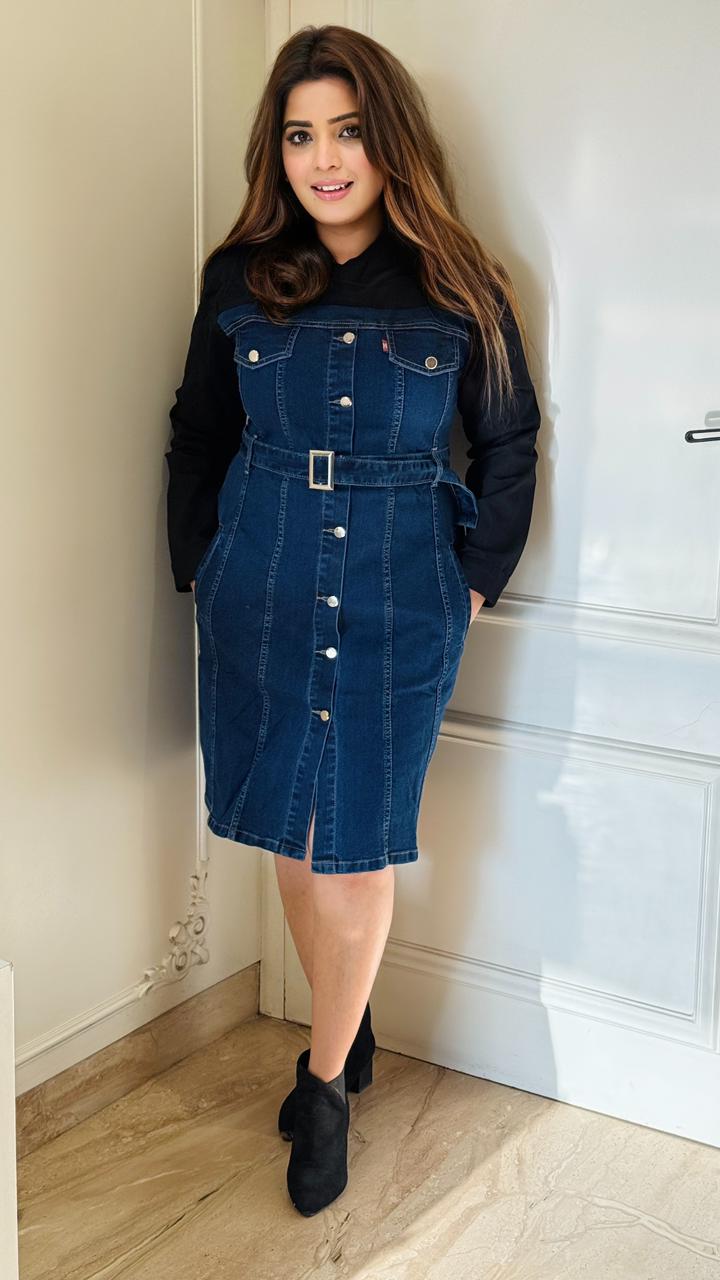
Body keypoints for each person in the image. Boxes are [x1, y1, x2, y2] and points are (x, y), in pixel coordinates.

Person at [165, 24, 542, 1216]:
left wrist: (471, 579)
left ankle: (324, 1081)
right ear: (275, 153)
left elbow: (509, 439)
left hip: (397, 587)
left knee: (357, 841)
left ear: (391, 142)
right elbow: (197, 432)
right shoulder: (240, 278)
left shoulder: (459, 283)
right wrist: (202, 567)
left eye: (348, 131)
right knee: (294, 829)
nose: (324, 160)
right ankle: (351, 1021)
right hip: (262, 579)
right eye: (300, 135)